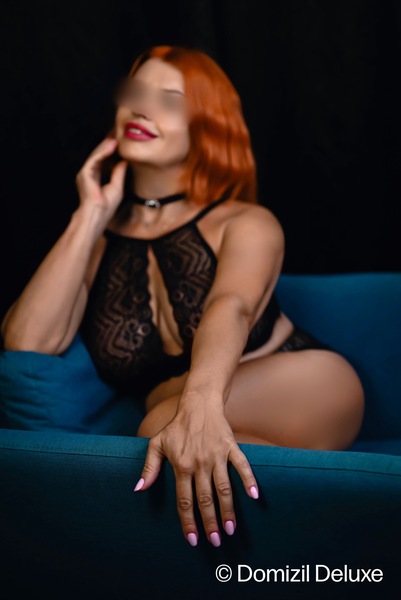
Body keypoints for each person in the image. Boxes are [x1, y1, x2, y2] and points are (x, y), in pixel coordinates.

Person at [1, 45, 364, 549]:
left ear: (207, 126)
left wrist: (197, 406)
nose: (141, 108)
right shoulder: (97, 243)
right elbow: (28, 342)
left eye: (169, 100)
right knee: (183, 456)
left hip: (307, 384)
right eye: (135, 93)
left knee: (158, 428)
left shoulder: (244, 221)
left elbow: (230, 306)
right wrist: (90, 214)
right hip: (186, 422)